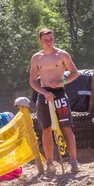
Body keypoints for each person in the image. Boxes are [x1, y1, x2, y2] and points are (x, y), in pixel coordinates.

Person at [29, 28, 80, 174]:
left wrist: (61, 81)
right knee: (45, 128)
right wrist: (44, 92)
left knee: (66, 127)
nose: (49, 42)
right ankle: (50, 163)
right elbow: (32, 81)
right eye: (45, 40)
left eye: (51, 39)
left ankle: (74, 161)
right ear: (40, 41)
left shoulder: (62, 54)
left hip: (60, 93)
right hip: (43, 94)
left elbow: (74, 73)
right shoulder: (36, 58)